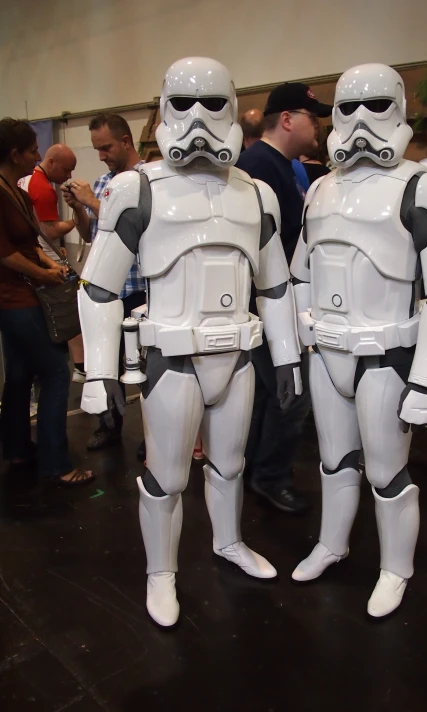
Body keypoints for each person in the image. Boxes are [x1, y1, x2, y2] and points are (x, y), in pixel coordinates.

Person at [77, 57, 302, 627]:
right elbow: (98, 287)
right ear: (162, 111)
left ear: (233, 108)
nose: (199, 118)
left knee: (229, 466)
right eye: (183, 104)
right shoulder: (137, 190)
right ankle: (162, 572)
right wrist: (101, 370)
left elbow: (275, 284)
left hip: (238, 356)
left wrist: (287, 354)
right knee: (168, 478)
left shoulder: (256, 195)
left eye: (213, 104)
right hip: (172, 358)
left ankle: (227, 542)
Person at [290, 64, 427, 617]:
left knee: (388, 473)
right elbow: (300, 273)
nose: (362, 120)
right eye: (348, 108)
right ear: (334, 117)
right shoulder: (318, 187)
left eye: (376, 106)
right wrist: (301, 338)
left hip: (387, 354)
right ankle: (332, 543)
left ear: (400, 111)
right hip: (328, 351)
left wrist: (425, 381)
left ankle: (396, 568)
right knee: (334, 460)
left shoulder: (426, 187)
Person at [237, 82, 332, 513]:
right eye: (314, 117)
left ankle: (259, 468)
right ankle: (269, 474)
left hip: (282, 298)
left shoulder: (282, 165)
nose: (321, 127)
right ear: (289, 120)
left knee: (273, 394)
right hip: (272, 301)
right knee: (290, 393)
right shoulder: (260, 167)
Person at [0, 118, 94, 485]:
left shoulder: (17, 192)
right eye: (33, 150)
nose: (38, 155)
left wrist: (49, 265)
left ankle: (19, 448)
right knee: (56, 370)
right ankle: (57, 464)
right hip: (14, 297)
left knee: (21, 373)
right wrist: (45, 273)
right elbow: (6, 254)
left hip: (22, 293)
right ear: (15, 154)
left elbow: (29, 246)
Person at [62, 113, 146, 452]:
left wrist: (93, 205)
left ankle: (154, 432)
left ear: (126, 141)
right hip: (107, 293)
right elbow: (91, 235)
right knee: (105, 364)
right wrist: (80, 211)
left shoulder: (147, 183)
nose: (102, 155)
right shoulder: (101, 184)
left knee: (149, 366)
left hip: (140, 289)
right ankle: (109, 425)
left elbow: (145, 234)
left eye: (106, 147)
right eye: (97, 149)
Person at [20, 144, 86, 383]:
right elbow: (50, 229)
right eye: (66, 170)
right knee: (71, 313)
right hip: (47, 264)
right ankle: (80, 368)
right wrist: (75, 220)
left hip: (36, 259)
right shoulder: (42, 187)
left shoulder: (22, 182)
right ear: (51, 162)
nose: (68, 177)